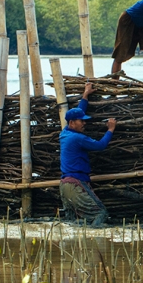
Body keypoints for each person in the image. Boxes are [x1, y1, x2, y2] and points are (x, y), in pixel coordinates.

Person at [59, 83, 116, 226]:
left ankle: (74, 246)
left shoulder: (65, 133)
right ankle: (93, 241)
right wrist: (110, 130)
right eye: (81, 121)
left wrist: (85, 95)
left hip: (65, 185)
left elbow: (78, 111)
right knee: (100, 213)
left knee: (72, 222)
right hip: (75, 184)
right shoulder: (78, 138)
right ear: (72, 123)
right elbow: (100, 145)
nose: (84, 123)